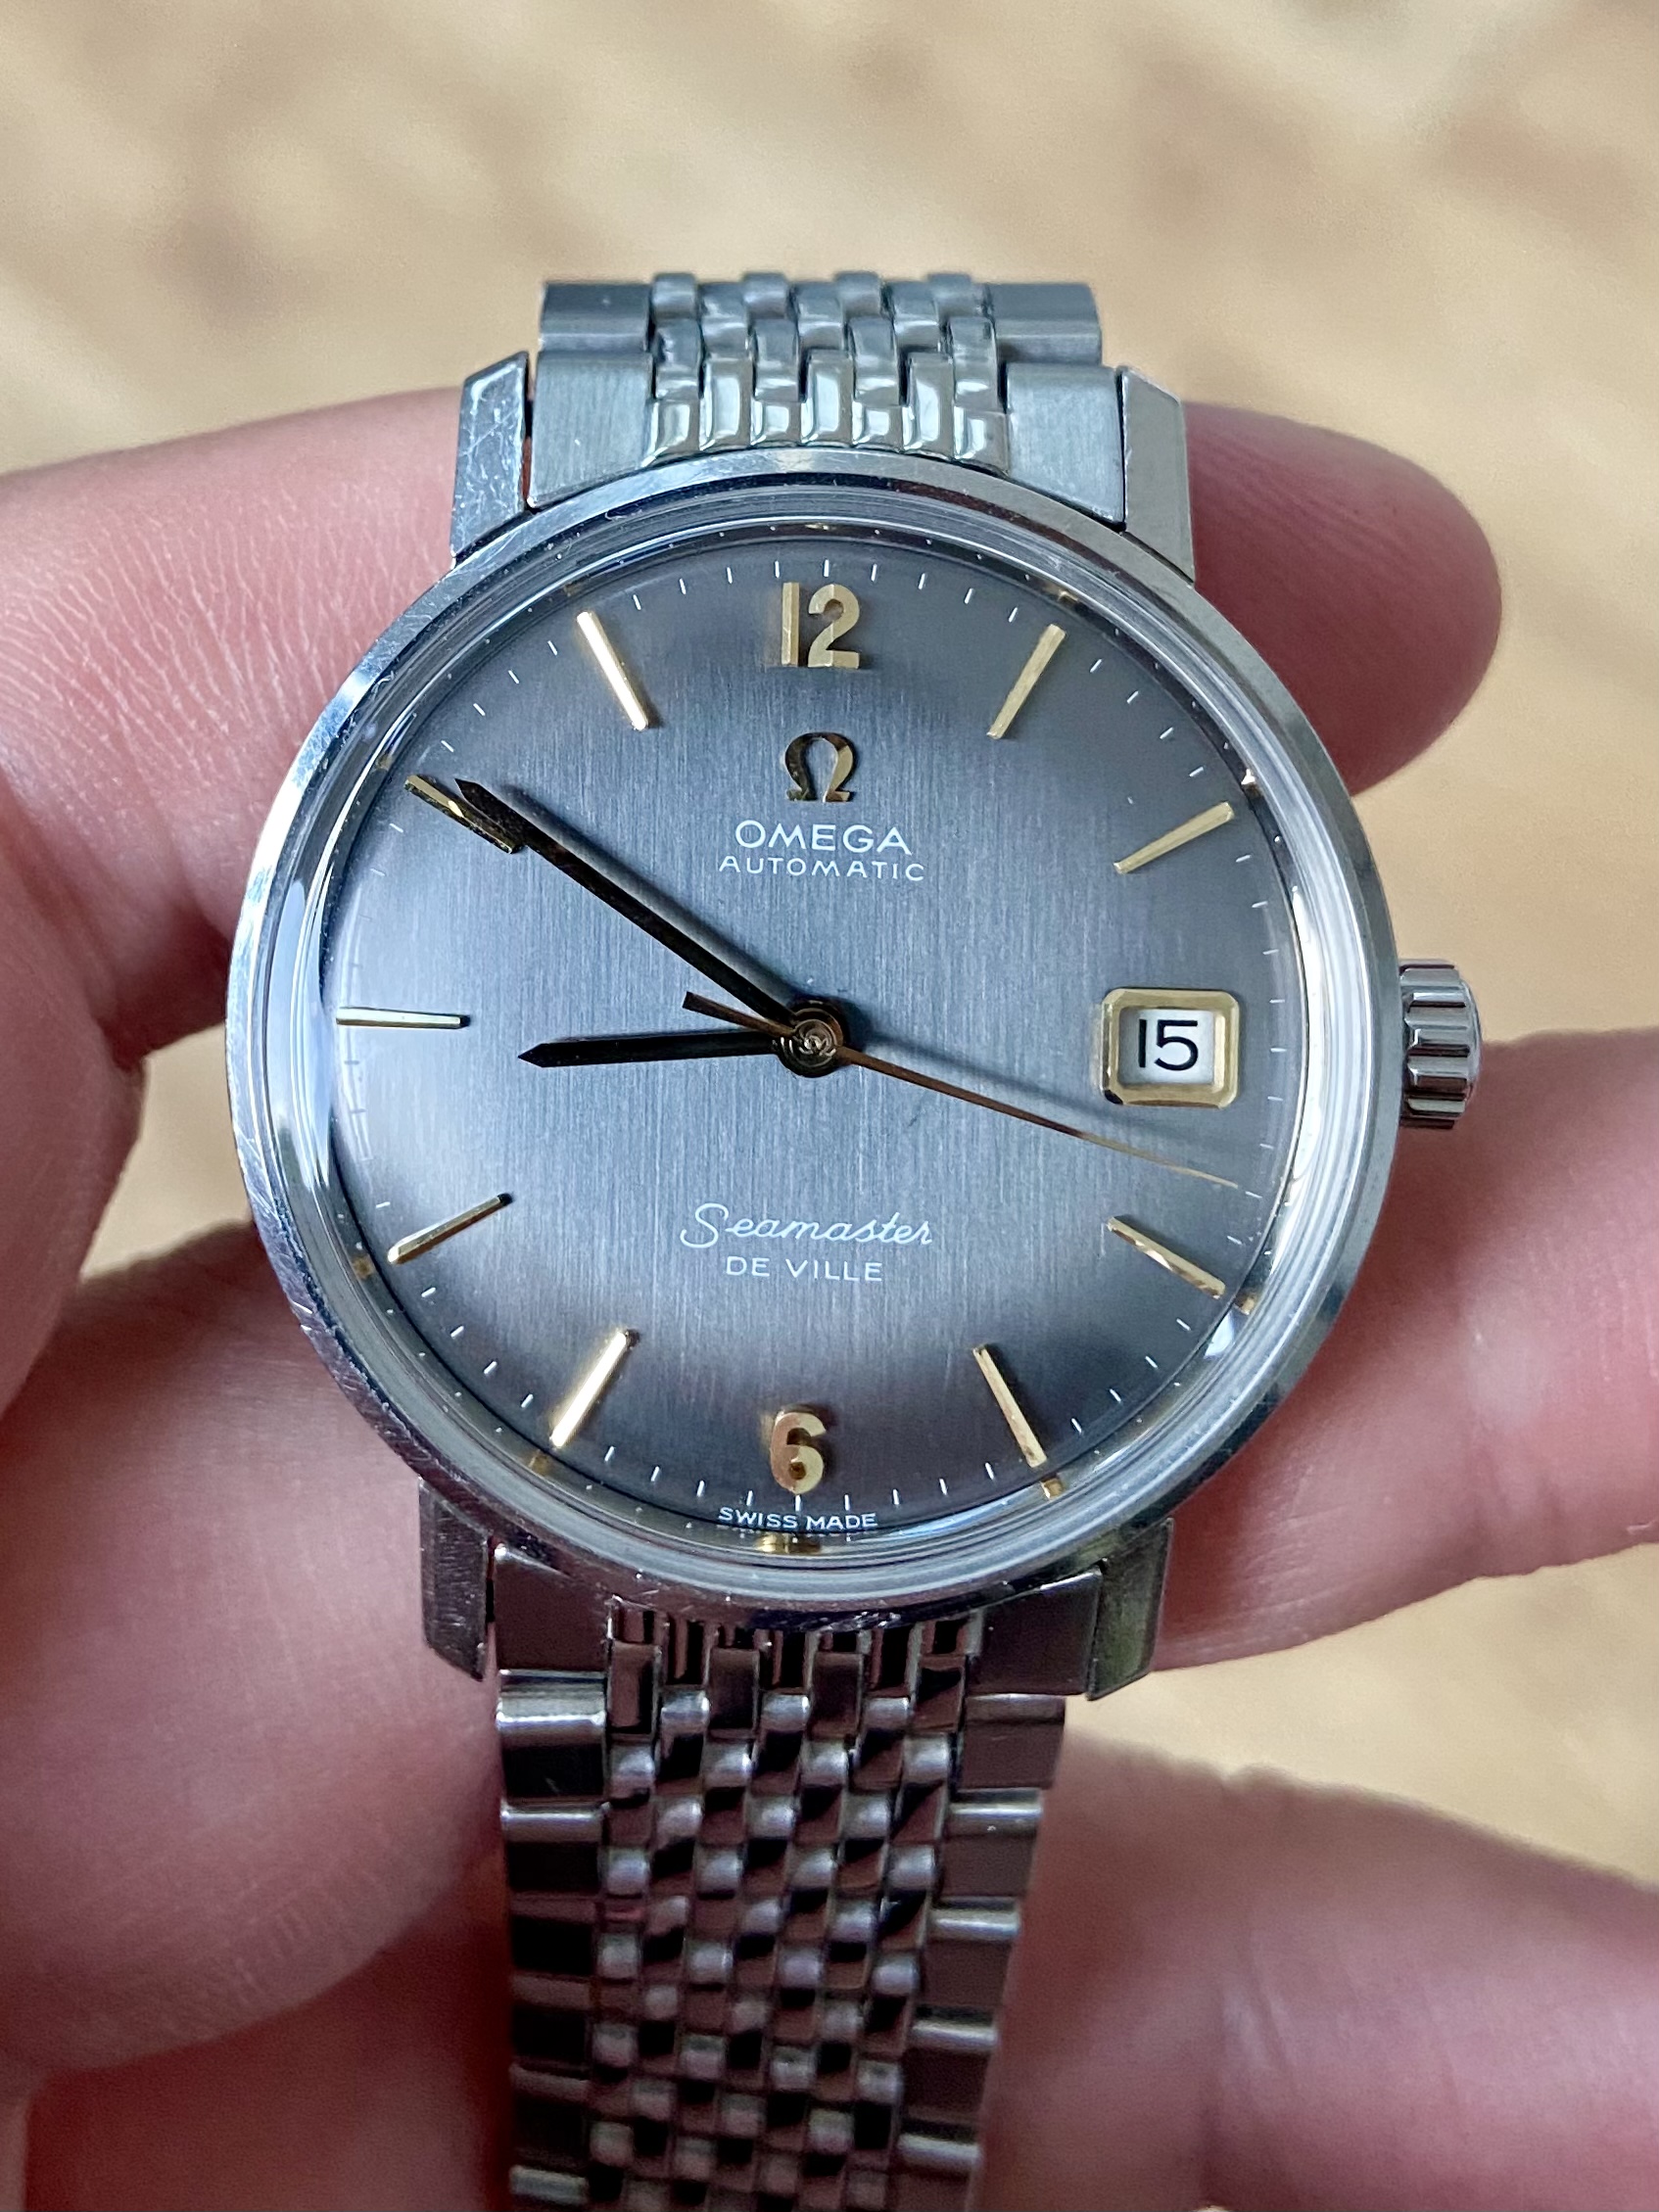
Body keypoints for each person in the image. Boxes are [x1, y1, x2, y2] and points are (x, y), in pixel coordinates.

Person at [0, 396, 1652, 2212]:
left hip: (931, 1502)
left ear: (1391, 1046)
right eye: (802, 1038)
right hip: (631, 1495)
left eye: (819, 1041)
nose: (813, 1043)